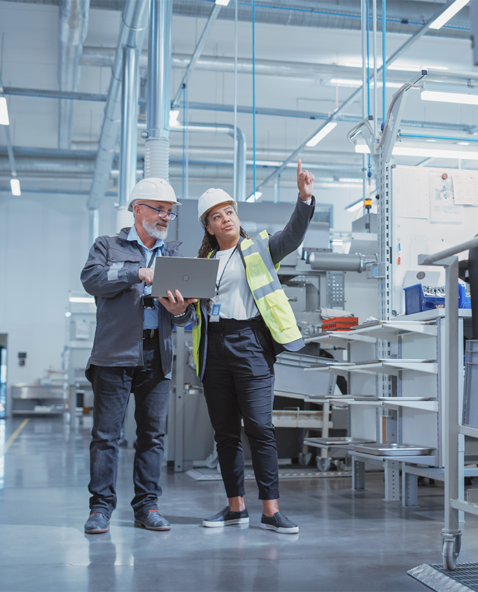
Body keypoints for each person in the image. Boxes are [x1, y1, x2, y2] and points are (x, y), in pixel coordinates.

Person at [193, 161, 315, 534]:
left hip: (250, 344)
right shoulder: (202, 263)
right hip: (213, 349)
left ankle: (271, 510)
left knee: (260, 427)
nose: (226, 218)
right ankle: (235, 508)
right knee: (226, 432)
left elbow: (292, 237)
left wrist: (304, 199)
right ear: (209, 227)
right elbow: (188, 314)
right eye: (217, 216)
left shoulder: (259, 247)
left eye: (229, 211)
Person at [80, 178, 197, 534]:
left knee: (152, 436)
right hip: (113, 354)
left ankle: (147, 507)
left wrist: (179, 309)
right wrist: (137, 272)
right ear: (137, 209)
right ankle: (100, 509)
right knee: (106, 436)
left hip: (156, 354)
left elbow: (186, 318)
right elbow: (92, 279)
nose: (165, 216)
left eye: (169, 212)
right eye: (159, 209)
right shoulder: (108, 245)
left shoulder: (174, 256)